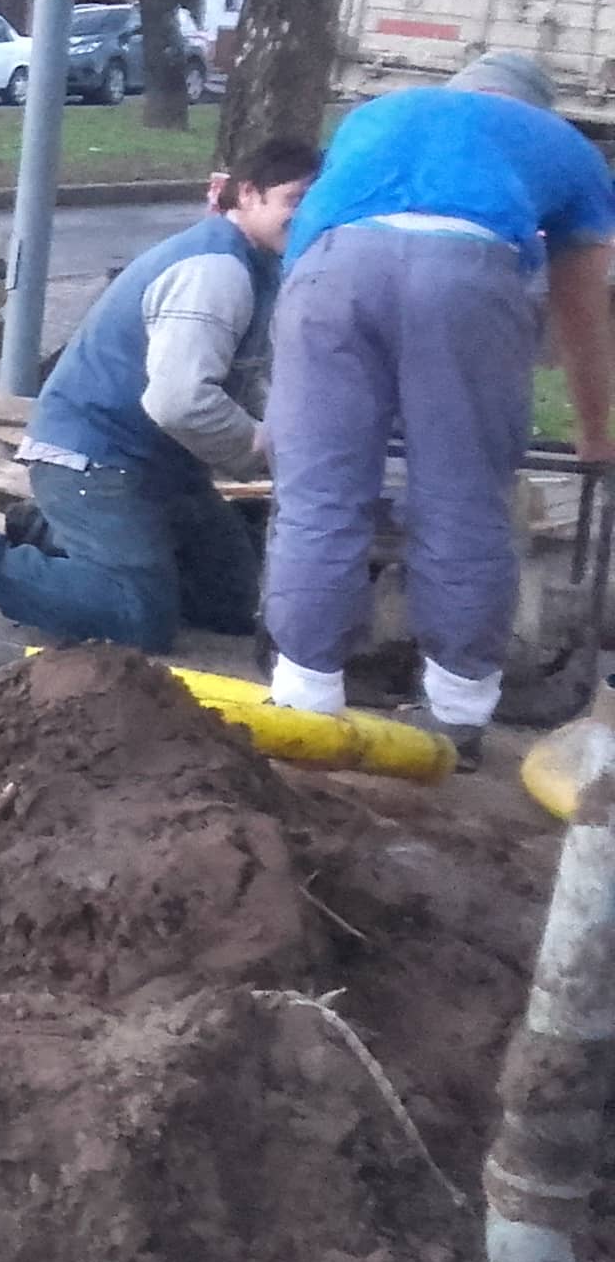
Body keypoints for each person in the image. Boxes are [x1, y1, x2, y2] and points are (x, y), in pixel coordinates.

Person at [263, 50, 615, 761]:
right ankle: (456, 718)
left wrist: (283, 411)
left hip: (327, 277)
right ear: (534, 108)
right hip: (466, 275)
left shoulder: (376, 115)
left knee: (319, 499)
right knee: (462, 499)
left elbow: (308, 249)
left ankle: (304, 705)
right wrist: (595, 430)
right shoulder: (565, 148)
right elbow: (582, 308)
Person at [0, 139, 320, 650]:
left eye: (318, 201)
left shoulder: (258, 264)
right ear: (248, 194)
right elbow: (179, 401)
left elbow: (244, 378)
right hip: (94, 458)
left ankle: (48, 536)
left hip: (160, 466)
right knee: (139, 617)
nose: (307, 214)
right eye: (295, 198)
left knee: (231, 603)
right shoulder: (215, 271)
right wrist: (258, 448)